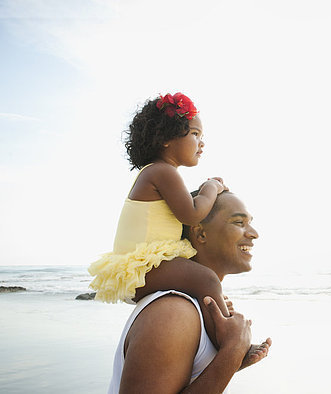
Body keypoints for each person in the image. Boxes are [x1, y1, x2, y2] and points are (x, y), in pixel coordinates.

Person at [88, 93, 234, 346]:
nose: (201, 143)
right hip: (143, 269)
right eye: (195, 134)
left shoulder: (158, 173)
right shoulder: (162, 172)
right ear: (166, 138)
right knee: (206, 279)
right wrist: (210, 188)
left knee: (204, 282)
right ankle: (230, 343)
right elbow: (192, 214)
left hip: (146, 266)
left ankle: (215, 319)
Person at [108, 191, 272, 393]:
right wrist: (233, 351)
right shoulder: (174, 313)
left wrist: (228, 361)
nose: (254, 233)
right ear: (201, 233)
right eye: (239, 222)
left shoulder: (196, 308)